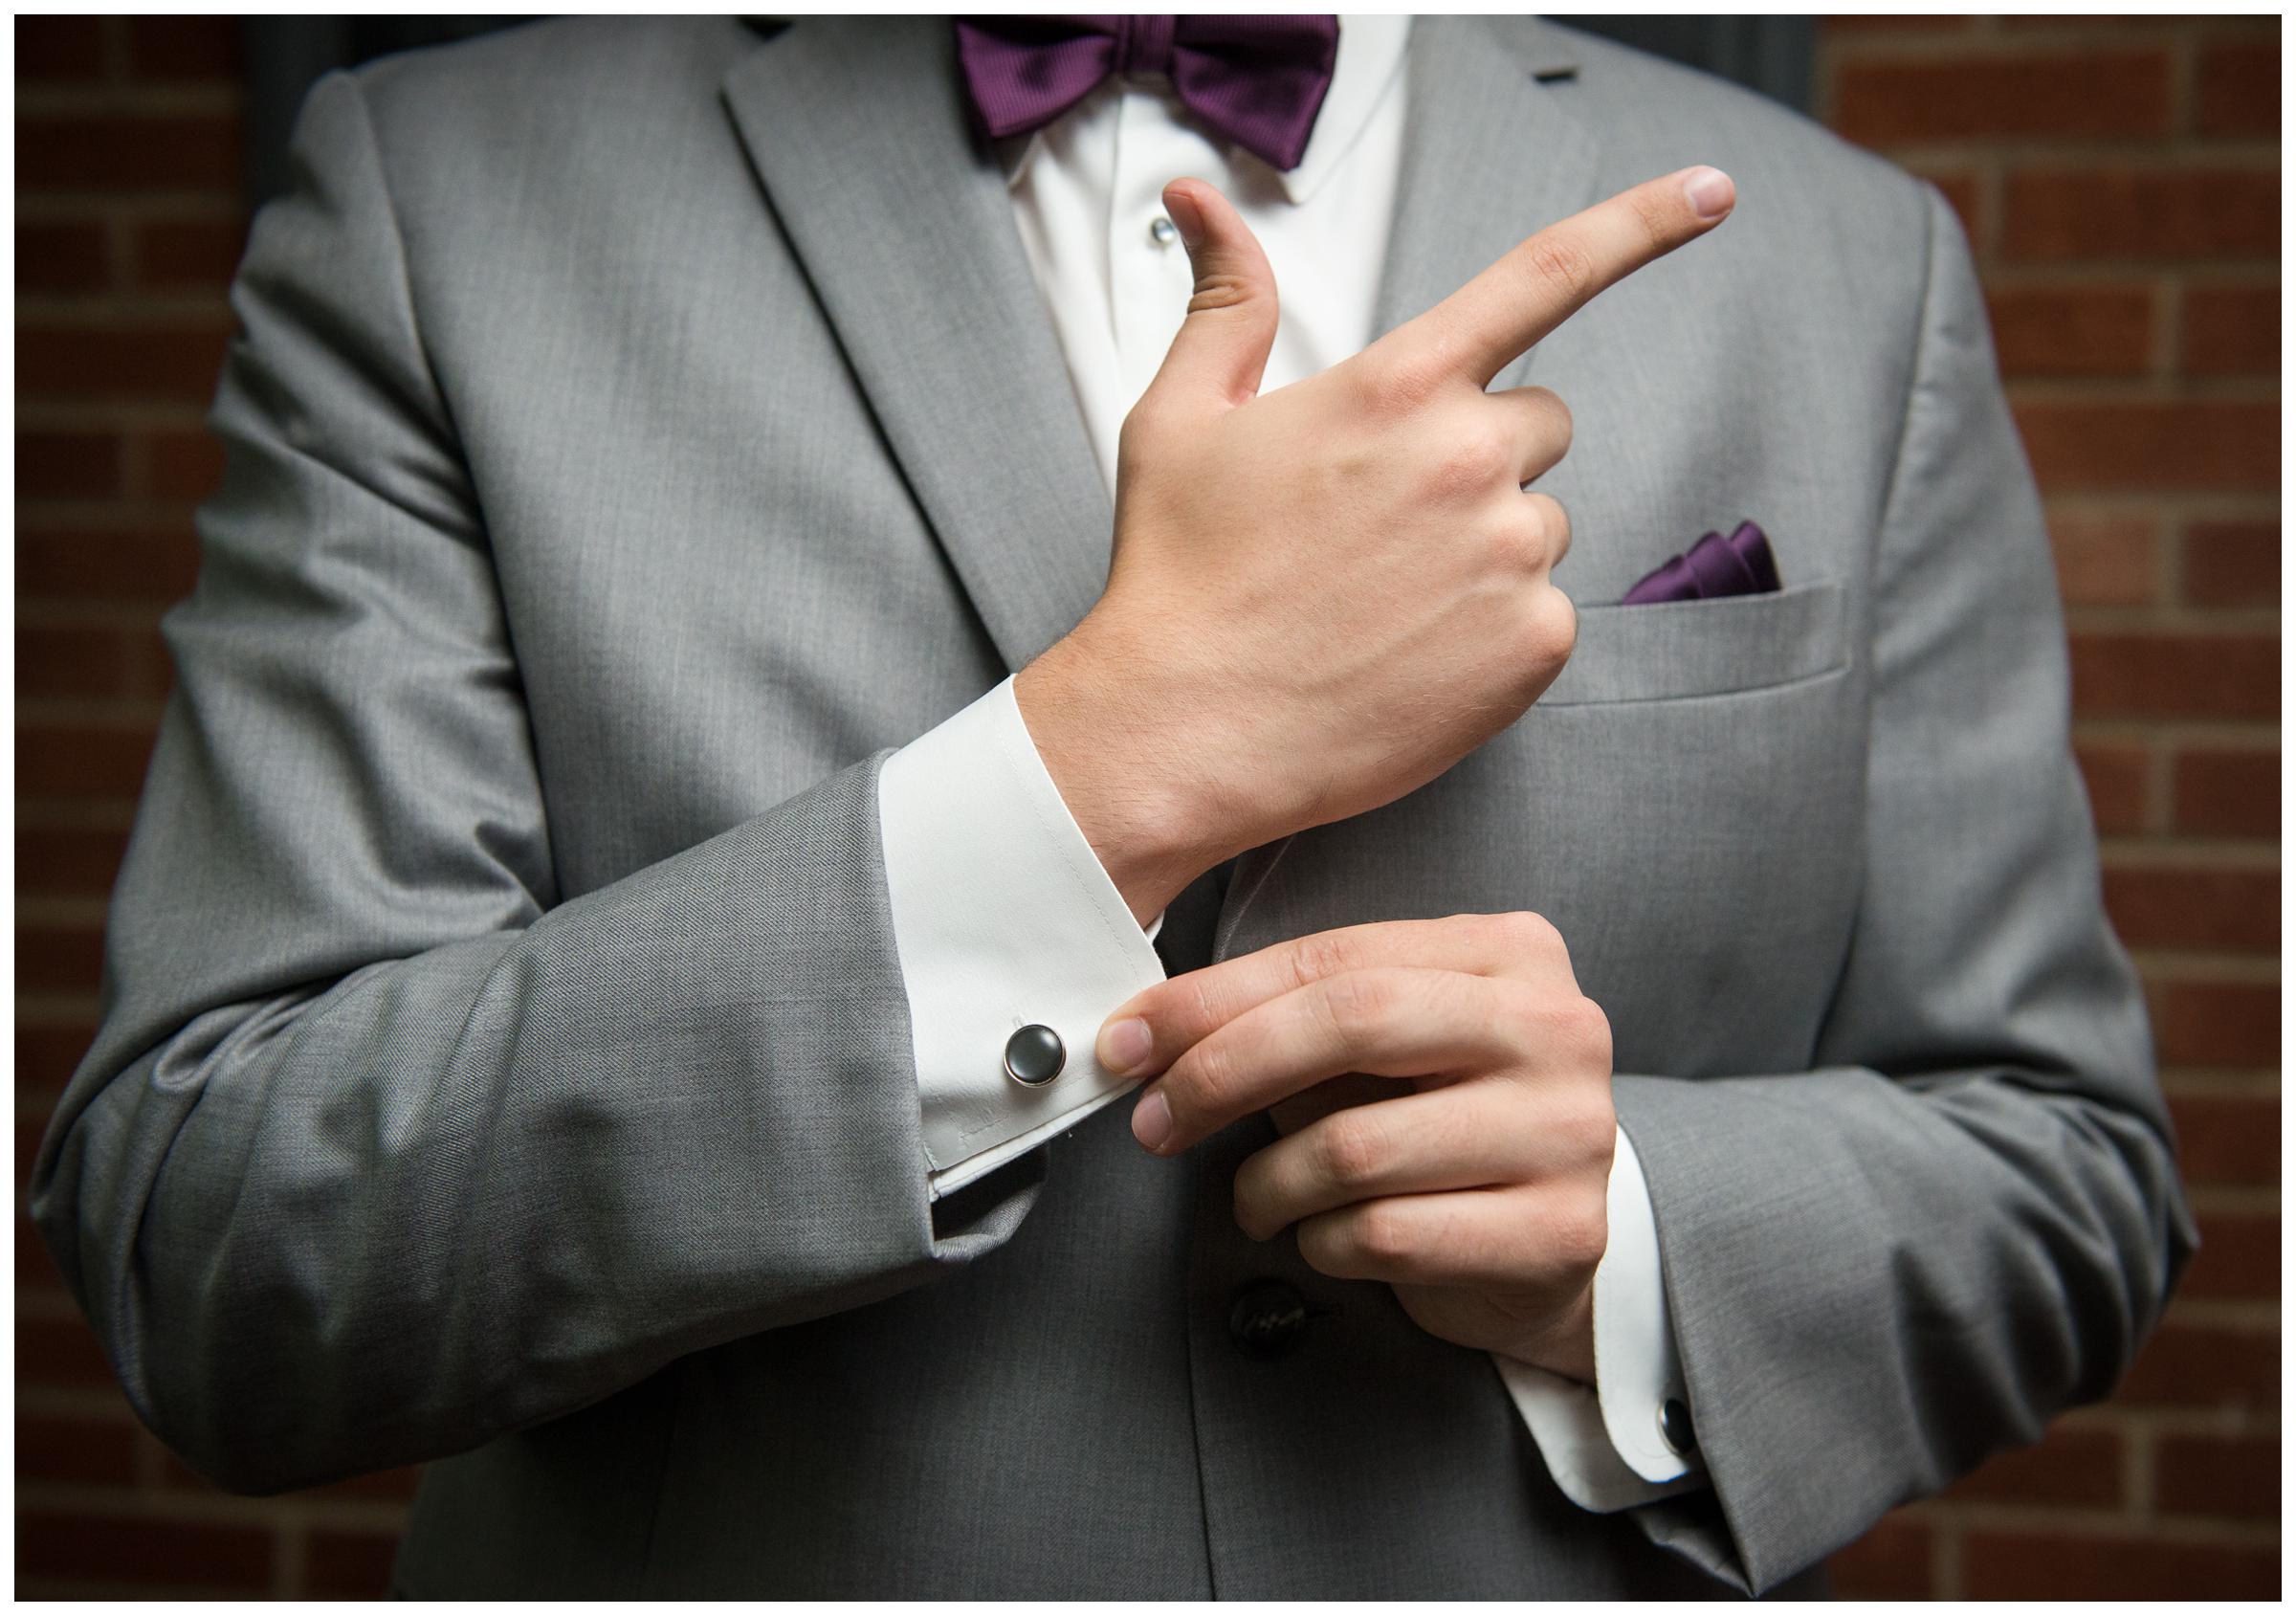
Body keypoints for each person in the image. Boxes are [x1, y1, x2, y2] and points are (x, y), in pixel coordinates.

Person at [31, 14, 2197, 1599]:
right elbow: (223, 1235)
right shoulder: (440, 195)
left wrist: (1627, 1240)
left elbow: (2063, 1166)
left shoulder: (1847, 258)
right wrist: (1096, 768)